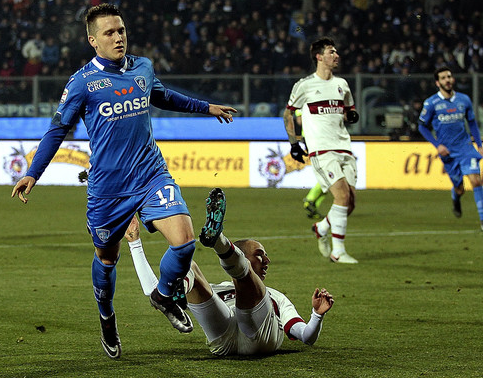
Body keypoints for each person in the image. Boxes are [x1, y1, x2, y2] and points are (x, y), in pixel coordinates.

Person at [10, 3, 236, 359]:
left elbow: (162, 96)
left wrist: (206, 107)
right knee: (107, 259)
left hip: (150, 174)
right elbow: (57, 130)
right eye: (109, 33)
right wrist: (32, 172)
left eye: (122, 31)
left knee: (184, 241)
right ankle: (106, 317)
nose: (118, 38)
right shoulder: (83, 83)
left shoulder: (143, 67)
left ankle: (163, 295)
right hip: (108, 191)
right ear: (92, 41)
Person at [125, 188, 334, 355]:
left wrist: (316, 314)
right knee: (188, 267)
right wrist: (135, 243)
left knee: (242, 287)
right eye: (260, 254)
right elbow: (155, 293)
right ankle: (207, 256)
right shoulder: (224, 290)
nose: (267, 260)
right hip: (224, 342)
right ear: (243, 256)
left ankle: (218, 241)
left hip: (260, 337)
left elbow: (306, 336)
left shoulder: (277, 298)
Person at [283, 37, 360, 264]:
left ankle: (321, 228)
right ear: (319, 56)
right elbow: (288, 114)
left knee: (350, 202)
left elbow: (349, 109)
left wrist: (351, 114)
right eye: (331, 52)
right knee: (342, 196)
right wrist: (294, 144)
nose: (336, 56)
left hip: (344, 147)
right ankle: (338, 252)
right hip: (321, 149)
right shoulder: (304, 85)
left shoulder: (342, 84)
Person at [418, 67, 483, 230]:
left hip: (465, 147)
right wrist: (437, 145)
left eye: (449, 76)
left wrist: (479, 145)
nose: (447, 80)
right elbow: (422, 127)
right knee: (460, 188)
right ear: (437, 82)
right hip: (448, 152)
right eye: (443, 78)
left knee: (476, 180)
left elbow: (472, 123)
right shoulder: (431, 103)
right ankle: (456, 197)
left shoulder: (464, 100)